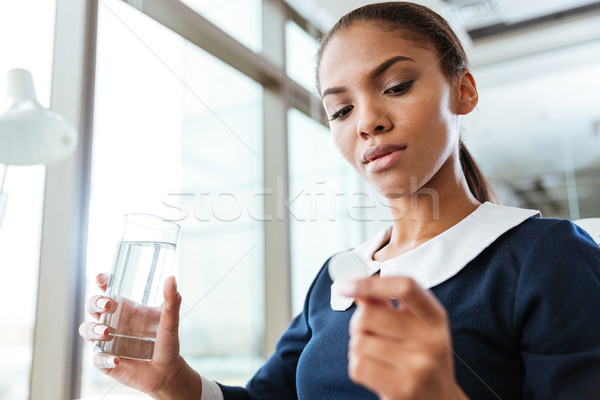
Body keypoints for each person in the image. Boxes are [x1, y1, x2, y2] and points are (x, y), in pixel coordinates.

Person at [79, 2, 600, 399]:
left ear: (462, 91)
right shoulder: (337, 277)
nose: (368, 121)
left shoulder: (546, 257)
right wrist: (177, 382)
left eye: (396, 86)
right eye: (341, 109)